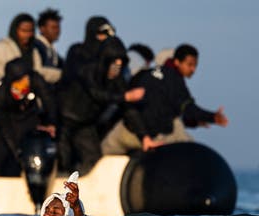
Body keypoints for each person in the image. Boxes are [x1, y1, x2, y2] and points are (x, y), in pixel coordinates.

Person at [102, 44, 229, 155]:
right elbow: (186, 108)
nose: (193, 69)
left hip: (127, 130)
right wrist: (212, 117)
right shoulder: (174, 81)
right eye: (190, 64)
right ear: (176, 62)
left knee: (103, 150)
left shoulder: (144, 75)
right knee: (188, 149)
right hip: (154, 137)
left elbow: (156, 107)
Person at [0, 13, 53, 159]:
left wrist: (62, 74)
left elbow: (38, 74)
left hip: (24, 113)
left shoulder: (34, 52)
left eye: (30, 30)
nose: (27, 34)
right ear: (15, 29)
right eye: (23, 30)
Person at [57, 36, 145, 175]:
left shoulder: (117, 80)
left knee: (94, 161)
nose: (116, 68)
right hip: (65, 121)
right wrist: (125, 97)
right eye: (114, 63)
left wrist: (144, 136)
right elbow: (97, 93)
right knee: (62, 161)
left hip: (86, 124)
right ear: (105, 60)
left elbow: (128, 109)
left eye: (120, 64)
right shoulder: (88, 70)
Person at [0, 58, 57, 176]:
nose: (26, 81)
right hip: (5, 127)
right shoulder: (0, 92)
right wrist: (15, 148)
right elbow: (3, 123)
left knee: (32, 154)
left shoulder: (35, 79)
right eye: (21, 80)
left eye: (26, 77)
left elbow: (49, 101)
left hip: (28, 119)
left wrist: (51, 123)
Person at [34, 8, 64, 79]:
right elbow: (37, 71)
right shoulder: (36, 46)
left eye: (58, 27)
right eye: (53, 27)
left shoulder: (53, 52)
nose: (57, 31)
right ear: (42, 28)